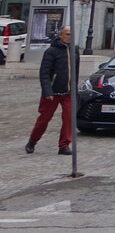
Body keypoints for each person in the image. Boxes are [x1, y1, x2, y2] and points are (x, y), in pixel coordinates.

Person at [26, 25, 78, 155]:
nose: (70, 37)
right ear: (60, 35)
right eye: (67, 34)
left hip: (68, 92)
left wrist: (74, 89)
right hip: (52, 92)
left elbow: (75, 72)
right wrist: (47, 91)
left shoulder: (74, 50)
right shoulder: (51, 51)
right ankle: (32, 141)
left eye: (72, 34)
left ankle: (64, 145)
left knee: (69, 118)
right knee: (44, 118)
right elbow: (44, 73)